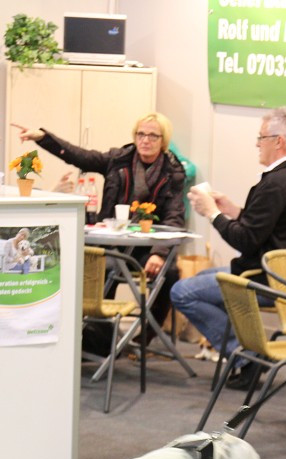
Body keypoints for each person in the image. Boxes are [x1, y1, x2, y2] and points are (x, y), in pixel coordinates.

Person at [173, 106, 286, 388]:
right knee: (197, 280)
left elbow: (244, 240)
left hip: (266, 280)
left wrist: (212, 214)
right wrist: (232, 210)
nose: (257, 144)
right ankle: (247, 351)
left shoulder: (276, 184)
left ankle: (248, 357)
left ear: (278, 141)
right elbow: (273, 228)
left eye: (261, 137)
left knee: (181, 291)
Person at [13, 113, 186, 350]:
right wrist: (43, 138)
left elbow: (175, 217)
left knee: (172, 274)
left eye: (152, 135)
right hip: (113, 243)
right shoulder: (119, 159)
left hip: (146, 248)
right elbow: (80, 156)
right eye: (141, 134)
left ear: (163, 140)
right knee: (103, 267)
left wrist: (160, 252)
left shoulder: (173, 172)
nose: (145, 140)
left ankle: (147, 334)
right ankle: (99, 341)